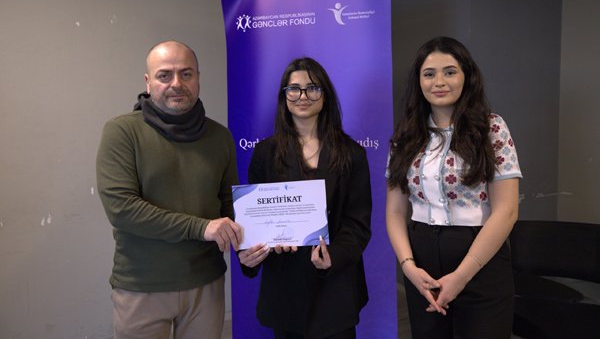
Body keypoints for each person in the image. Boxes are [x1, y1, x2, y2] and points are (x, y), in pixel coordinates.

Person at [96, 40, 242, 339]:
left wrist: (255, 242)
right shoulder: (122, 132)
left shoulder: (220, 137)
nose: (177, 83)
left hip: (206, 283)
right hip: (142, 286)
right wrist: (201, 228)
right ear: (148, 82)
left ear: (198, 78)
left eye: (186, 74)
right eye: (165, 75)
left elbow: (230, 204)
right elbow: (123, 209)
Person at [385, 37, 522, 339]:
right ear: (418, 81)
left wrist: (461, 276)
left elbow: (507, 211)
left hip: (480, 259)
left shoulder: (491, 128)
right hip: (421, 265)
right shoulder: (406, 136)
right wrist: (408, 267)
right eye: (429, 74)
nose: (439, 82)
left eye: (450, 71)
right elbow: (394, 212)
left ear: (466, 76)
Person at [238, 57, 372, 339]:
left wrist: (333, 256)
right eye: (294, 89)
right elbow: (257, 221)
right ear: (284, 96)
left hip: (335, 287)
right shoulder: (265, 153)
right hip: (285, 288)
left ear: (325, 95)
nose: (302, 96)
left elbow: (358, 223)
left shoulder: (352, 154)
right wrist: (250, 253)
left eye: (312, 88)